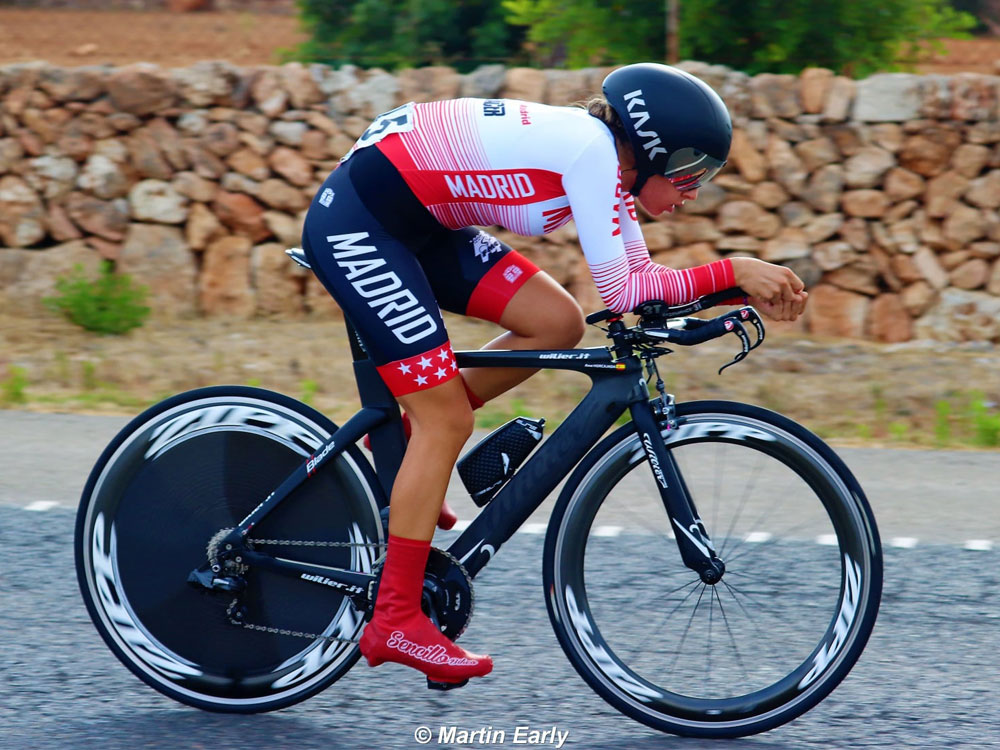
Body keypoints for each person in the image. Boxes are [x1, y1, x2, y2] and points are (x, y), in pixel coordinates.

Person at [300, 62, 808, 688]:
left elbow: (640, 291)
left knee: (555, 322)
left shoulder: (611, 172)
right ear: (648, 152)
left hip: (420, 220)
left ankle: (401, 443)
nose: (693, 189)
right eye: (689, 170)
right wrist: (732, 271)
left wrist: (730, 293)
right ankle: (396, 618)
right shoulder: (592, 154)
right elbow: (624, 291)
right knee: (449, 419)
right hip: (363, 223)